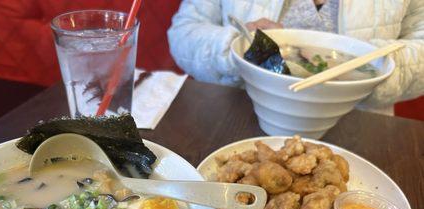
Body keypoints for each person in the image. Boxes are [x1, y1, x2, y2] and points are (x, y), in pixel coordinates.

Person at [167, 0, 424, 112]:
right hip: (240, 115)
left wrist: (364, 65)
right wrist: (237, 46)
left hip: (361, 127)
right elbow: (183, 33)